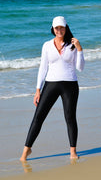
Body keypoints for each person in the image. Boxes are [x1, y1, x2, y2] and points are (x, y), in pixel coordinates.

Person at [20, 16, 85, 161]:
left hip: (70, 85)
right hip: (51, 84)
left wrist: (80, 50)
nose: (59, 30)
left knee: (70, 118)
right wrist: (38, 89)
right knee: (38, 117)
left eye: (62, 27)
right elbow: (43, 68)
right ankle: (26, 151)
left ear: (66, 28)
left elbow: (80, 68)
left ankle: (73, 152)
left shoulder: (73, 45)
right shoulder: (47, 45)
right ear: (53, 29)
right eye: (57, 28)